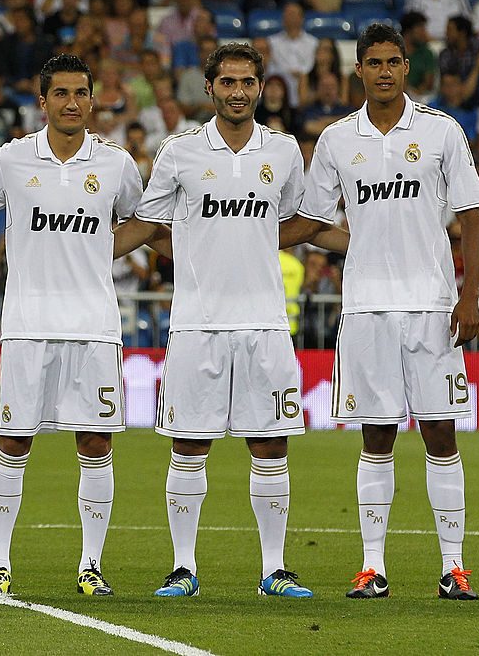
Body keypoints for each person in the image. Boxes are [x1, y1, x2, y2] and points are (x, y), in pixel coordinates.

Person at [111, 42, 349, 598]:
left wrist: (358, 245)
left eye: (248, 82)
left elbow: (299, 221)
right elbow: (149, 224)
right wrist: (88, 256)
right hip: (197, 324)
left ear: (260, 88)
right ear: (209, 88)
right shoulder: (180, 151)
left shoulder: (285, 151)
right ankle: (183, 568)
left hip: (266, 322)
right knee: (189, 444)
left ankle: (274, 569)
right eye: (228, 82)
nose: (238, 92)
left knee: (270, 445)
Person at [287, 23, 479, 600]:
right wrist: (246, 233)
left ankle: (454, 567)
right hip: (368, 308)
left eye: (393, 62)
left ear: (406, 68)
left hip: (431, 307)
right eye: (373, 62)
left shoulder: (442, 132)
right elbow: (315, 222)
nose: (383, 71)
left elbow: (472, 217)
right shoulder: (336, 140)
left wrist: (468, 294)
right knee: (375, 436)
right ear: (358, 70)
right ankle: (372, 567)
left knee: (440, 433)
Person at [0, 54, 144, 596]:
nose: (71, 102)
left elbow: (142, 220)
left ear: (93, 98)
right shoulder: (12, 159)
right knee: (13, 441)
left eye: (80, 93)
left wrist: (97, 252)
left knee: (95, 443)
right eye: (60, 93)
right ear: (42, 101)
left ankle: (91, 565)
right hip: (26, 324)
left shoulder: (116, 163)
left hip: (94, 325)